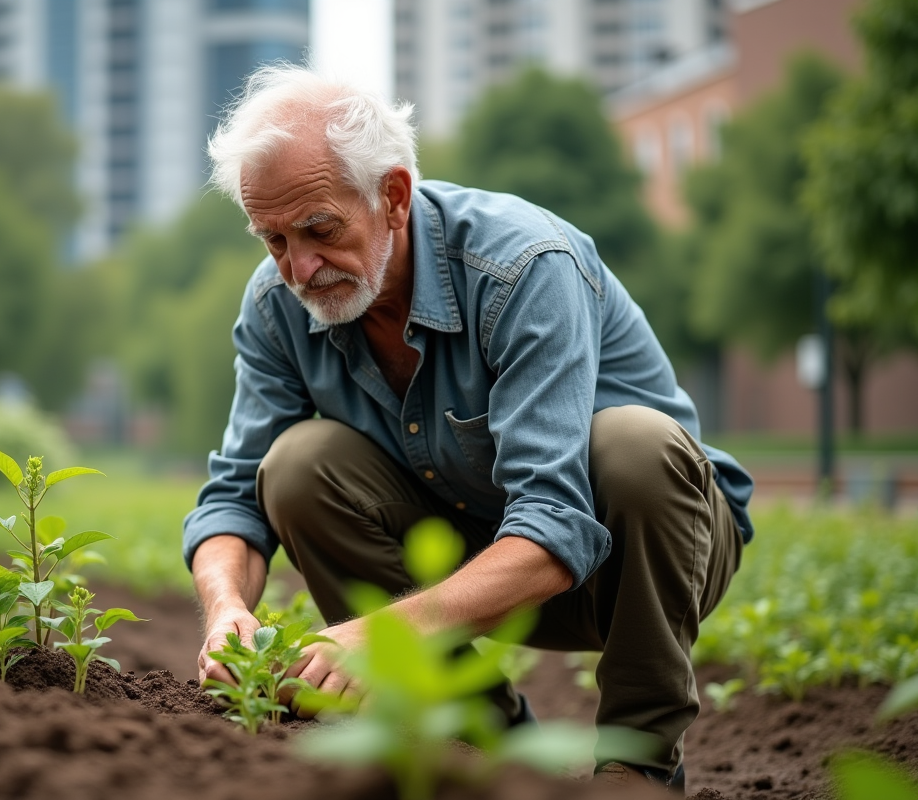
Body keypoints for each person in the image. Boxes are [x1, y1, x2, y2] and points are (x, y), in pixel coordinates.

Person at [183, 64, 753, 792]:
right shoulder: (276, 306)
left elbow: (556, 525)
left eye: (320, 229)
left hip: (643, 558)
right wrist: (226, 607)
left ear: (392, 195)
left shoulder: (521, 267)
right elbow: (233, 497)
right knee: (297, 468)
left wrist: (378, 637)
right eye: (274, 240)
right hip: (476, 546)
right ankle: (477, 745)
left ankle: (638, 768)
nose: (299, 268)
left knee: (636, 448)